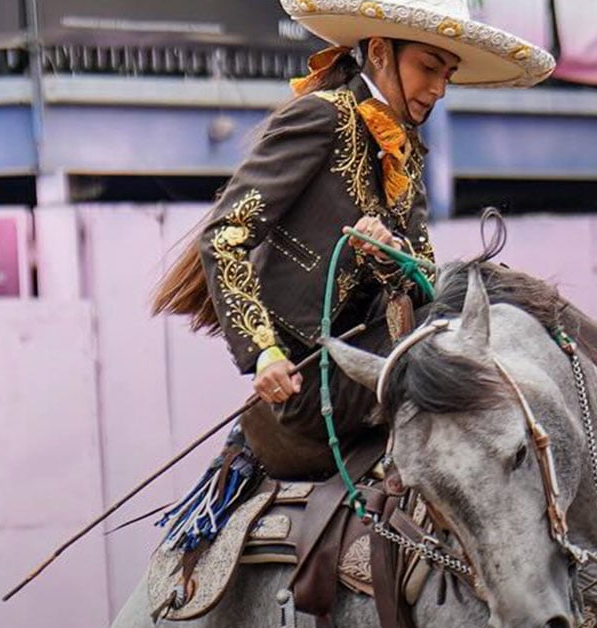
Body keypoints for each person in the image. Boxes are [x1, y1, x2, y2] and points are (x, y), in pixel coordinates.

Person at [151, 0, 559, 480]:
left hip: (381, 349)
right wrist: (265, 352)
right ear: (382, 53)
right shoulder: (320, 118)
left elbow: (424, 281)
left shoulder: (405, 146)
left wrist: (389, 257)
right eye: (429, 67)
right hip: (313, 379)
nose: (439, 88)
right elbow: (225, 236)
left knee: (521, 307)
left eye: (447, 73)